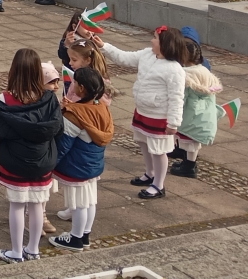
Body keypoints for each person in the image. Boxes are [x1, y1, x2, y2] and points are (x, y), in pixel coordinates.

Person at [0, 48, 63, 264]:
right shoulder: (49, 98)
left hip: (14, 161)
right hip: (42, 160)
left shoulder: (4, 99)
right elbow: (58, 129)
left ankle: (16, 252)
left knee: (17, 206)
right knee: (37, 205)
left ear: (13, 70)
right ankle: (33, 250)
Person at [92, 26, 186, 199]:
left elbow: (177, 98)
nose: (152, 40)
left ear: (166, 44)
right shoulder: (146, 54)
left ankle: (158, 185)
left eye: (155, 38)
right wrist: (104, 46)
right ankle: (150, 173)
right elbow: (124, 57)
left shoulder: (175, 69)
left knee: (158, 151)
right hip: (143, 111)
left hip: (159, 117)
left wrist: (174, 123)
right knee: (144, 143)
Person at [48, 67, 113, 252]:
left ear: (82, 88)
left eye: (75, 82)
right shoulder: (101, 107)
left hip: (76, 166)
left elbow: (63, 146)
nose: (73, 84)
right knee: (90, 201)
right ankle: (84, 235)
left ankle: (75, 238)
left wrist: (50, 163)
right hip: (92, 164)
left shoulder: (74, 115)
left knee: (78, 204)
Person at [171, 32, 221, 179]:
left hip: (192, 115)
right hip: (204, 115)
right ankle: (189, 163)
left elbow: (182, 97)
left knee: (190, 141)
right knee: (193, 141)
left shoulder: (185, 74)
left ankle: (189, 167)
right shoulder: (204, 70)